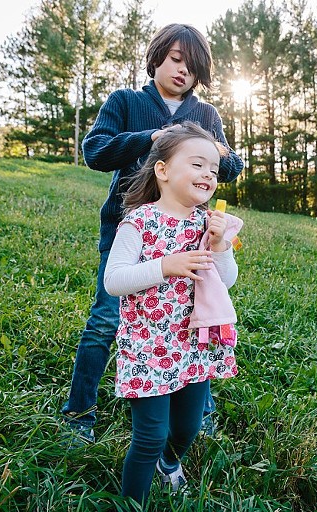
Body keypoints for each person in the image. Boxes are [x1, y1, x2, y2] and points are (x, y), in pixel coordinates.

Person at [61, 23, 243, 444]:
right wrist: (151, 138)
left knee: (196, 317)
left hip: (188, 237)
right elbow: (96, 151)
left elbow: (229, 169)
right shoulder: (125, 101)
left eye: (192, 66)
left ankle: (199, 410)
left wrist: (220, 153)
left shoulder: (206, 116)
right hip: (131, 229)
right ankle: (79, 412)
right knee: (106, 319)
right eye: (176, 60)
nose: (183, 71)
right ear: (157, 57)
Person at [103, 121, 241, 505]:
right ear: (162, 170)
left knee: (188, 427)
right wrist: (165, 265)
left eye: (214, 170)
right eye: (197, 165)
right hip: (149, 346)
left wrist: (219, 245)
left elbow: (225, 280)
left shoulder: (207, 224)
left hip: (195, 344)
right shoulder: (139, 221)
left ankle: (170, 461)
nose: (208, 176)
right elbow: (114, 280)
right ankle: (133, 501)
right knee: (149, 436)